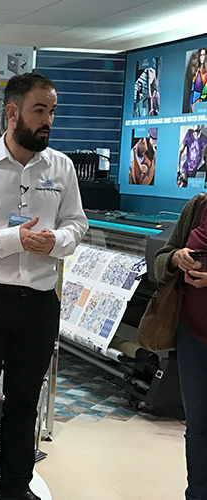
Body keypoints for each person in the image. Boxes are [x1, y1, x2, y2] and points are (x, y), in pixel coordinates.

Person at [0, 72, 88, 500]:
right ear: (12, 112)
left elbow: (76, 224)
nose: (48, 121)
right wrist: (13, 240)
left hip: (39, 303)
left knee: (25, 403)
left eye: (52, 111)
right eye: (39, 110)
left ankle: (15, 488)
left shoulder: (61, 167)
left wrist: (55, 241)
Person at [154, 192, 207, 500]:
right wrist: (176, 258)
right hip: (193, 337)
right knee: (197, 426)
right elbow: (161, 260)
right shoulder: (197, 207)